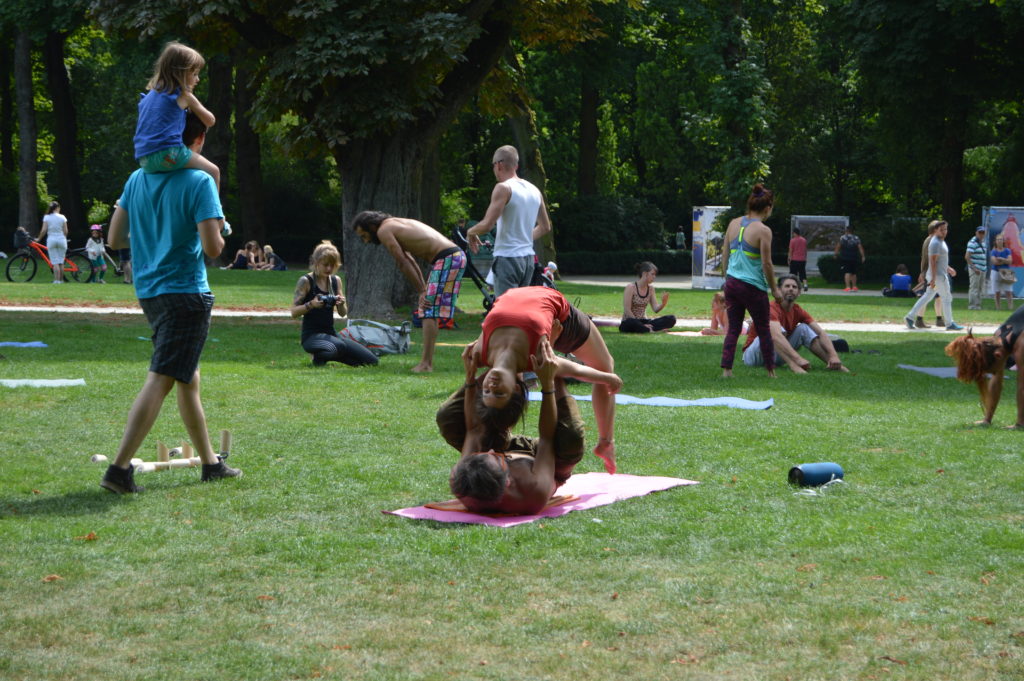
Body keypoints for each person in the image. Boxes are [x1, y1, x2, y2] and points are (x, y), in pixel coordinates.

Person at [101, 110, 240, 494]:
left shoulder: (136, 178)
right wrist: (219, 228)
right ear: (197, 142)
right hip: (186, 292)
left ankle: (211, 464)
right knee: (163, 377)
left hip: (150, 291)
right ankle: (118, 469)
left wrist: (155, 234)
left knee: (187, 377)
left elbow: (114, 238)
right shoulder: (199, 180)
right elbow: (214, 248)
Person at [465, 285, 622, 473]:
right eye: (499, 392)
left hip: (519, 293)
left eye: (487, 391)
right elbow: (571, 369)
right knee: (605, 365)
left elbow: (472, 423)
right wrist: (607, 377)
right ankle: (606, 443)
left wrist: (470, 379)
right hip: (561, 319)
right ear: (515, 388)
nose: (491, 385)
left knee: (502, 398)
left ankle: (501, 436)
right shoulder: (536, 358)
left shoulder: (479, 354)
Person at [449, 338, 584, 515]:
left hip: (507, 450)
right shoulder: (534, 492)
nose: (491, 451)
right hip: (550, 460)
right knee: (571, 435)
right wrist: (550, 381)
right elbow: (547, 439)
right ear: (508, 482)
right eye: (497, 458)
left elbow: (474, 429)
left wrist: (470, 377)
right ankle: (548, 363)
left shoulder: (463, 482)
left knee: (448, 417)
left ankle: (511, 361)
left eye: (484, 455)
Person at [352, 211, 467, 373]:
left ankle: (426, 364)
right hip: (453, 256)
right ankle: (426, 363)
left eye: (364, 235)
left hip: (448, 258)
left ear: (371, 226)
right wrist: (422, 289)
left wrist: (422, 291)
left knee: (427, 309)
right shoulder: (393, 224)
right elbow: (410, 259)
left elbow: (402, 262)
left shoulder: (384, 230)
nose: (366, 241)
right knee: (429, 308)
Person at [465, 145, 552, 298]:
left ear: (498, 164)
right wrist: (522, 238)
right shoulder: (534, 190)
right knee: (519, 310)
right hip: (528, 260)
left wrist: (470, 231)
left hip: (508, 259)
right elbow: (545, 227)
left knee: (505, 314)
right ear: (515, 165)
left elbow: (487, 224)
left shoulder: (503, 188)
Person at [134, 41, 220, 189]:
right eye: (194, 74)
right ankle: (216, 211)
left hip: (144, 159)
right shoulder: (183, 95)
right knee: (214, 171)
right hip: (169, 153)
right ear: (181, 73)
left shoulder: (148, 97)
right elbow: (210, 120)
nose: (197, 79)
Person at [720, 184, 780, 378]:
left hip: (732, 283)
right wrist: (775, 290)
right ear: (768, 207)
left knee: (734, 329)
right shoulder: (763, 230)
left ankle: (727, 370)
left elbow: (725, 254)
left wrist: (726, 277)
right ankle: (771, 371)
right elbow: (767, 264)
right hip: (753, 286)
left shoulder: (733, 223)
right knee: (763, 328)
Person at [291, 240, 378, 368]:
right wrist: (311, 304)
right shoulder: (306, 281)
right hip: (311, 336)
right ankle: (319, 358)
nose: (329, 269)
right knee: (338, 347)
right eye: (325, 265)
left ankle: (331, 355)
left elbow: (343, 314)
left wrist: (341, 303)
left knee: (371, 361)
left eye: (332, 265)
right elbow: (293, 312)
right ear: (316, 263)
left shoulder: (335, 281)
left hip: (331, 334)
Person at [741, 275, 848, 373]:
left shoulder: (797, 310)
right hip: (753, 357)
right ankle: (793, 365)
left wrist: (833, 356)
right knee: (774, 332)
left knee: (804, 328)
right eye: (787, 286)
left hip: (775, 355)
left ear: (799, 292)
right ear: (778, 290)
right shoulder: (770, 308)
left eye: (794, 287)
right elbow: (776, 336)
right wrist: (797, 359)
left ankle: (833, 364)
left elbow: (820, 332)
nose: (791, 289)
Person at [945, 307, 1024, 429]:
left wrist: (1020, 423)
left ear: (998, 356)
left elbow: (1022, 386)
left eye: (991, 370)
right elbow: (997, 380)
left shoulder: (1020, 345)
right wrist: (987, 419)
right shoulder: (997, 339)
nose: (994, 373)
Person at [904, 220, 963, 331]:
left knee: (928, 295)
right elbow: (933, 262)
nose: (944, 232)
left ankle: (909, 317)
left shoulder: (940, 241)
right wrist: (934, 279)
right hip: (939, 277)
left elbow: (940, 260)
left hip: (936, 276)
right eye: (942, 230)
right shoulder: (936, 242)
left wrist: (948, 269)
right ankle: (950, 323)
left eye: (946, 229)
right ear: (935, 230)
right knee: (946, 298)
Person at [619, 261, 676, 333]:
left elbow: (655, 309)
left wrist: (663, 303)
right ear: (645, 274)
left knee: (671, 318)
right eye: (652, 274)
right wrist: (639, 324)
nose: (654, 277)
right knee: (631, 323)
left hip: (644, 321)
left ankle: (647, 329)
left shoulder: (651, 288)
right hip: (630, 321)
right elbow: (627, 310)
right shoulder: (631, 287)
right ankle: (650, 329)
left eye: (655, 275)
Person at [37, 201, 68, 284]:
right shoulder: (62, 217)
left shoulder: (47, 217)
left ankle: (56, 280)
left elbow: (43, 230)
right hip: (61, 239)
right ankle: (61, 280)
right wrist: (63, 237)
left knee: (55, 262)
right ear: (57, 208)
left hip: (51, 239)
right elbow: (65, 231)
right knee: (61, 261)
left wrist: (39, 238)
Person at [834, 224, 865, 292]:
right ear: (853, 231)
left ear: (846, 230)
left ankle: (848, 287)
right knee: (853, 272)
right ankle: (854, 286)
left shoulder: (843, 238)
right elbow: (860, 247)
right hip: (854, 257)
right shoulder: (856, 238)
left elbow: (838, 246)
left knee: (847, 272)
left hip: (845, 257)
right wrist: (863, 256)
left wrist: (835, 254)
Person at [990, 233, 1015, 311]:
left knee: (1009, 291)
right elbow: (994, 262)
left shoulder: (1007, 250)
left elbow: (1010, 261)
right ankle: (998, 307)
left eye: (1001, 239)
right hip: (995, 272)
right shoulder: (993, 251)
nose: (999, 241)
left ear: (1003, 241)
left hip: (1006, 272)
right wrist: (1005, 261)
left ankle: (1010, 306)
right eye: (998, 240)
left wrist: (1002, 259)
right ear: (996, 241)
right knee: (997, 291)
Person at [965, 225, 987, 310]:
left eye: (983, 233)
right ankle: (972, 306)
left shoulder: (983, 243)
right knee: (974, 288)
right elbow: (967, 257)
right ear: (976, 233)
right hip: (976, 270)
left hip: (982, 269)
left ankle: (978, 306)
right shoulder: (972, 242)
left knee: (980, 289)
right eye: (980, 232)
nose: (981, 234)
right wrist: (974, 268)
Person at [788, 227, 808, 291]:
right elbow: (805, 250)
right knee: (802, 273)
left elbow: (791, 250)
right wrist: (805, 258)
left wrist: (789, 259)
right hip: (802, 260)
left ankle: (794, 286)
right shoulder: (804, 240)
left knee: (793, 274)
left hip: (794, 259)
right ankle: (805, 285)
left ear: (795, 233)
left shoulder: (792, 240)